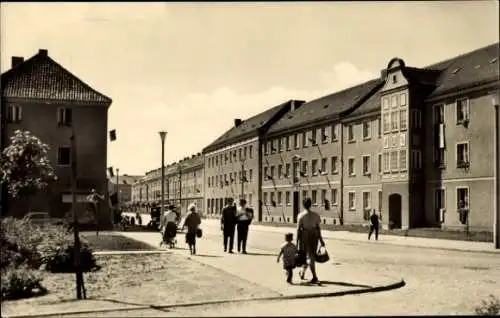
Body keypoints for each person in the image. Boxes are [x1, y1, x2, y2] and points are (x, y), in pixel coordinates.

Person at [296, 198, 325, 284]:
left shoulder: (301, 215)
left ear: (303, 205)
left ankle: (314, 276)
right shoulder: (316, 215)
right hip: (314, 237)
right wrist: (321, 239)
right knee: (309, 256)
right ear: (310, 204)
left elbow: (298, 229)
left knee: (308, 256)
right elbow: (318, 228)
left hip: (304, 237)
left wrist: (296, 241)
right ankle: (304, 273)